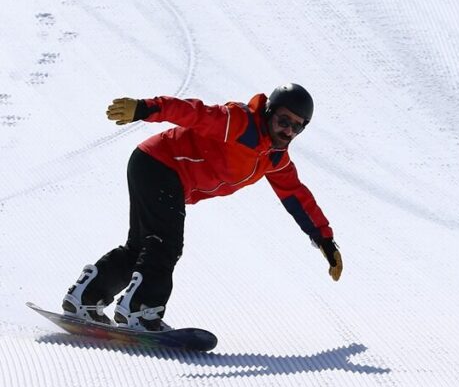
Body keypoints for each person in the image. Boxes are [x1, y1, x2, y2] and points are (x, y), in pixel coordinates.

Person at [62, 83, 343, 331]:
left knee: (141, 246)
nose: (288, 130)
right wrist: (144, 109)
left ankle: (86, 298)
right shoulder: (240, 123)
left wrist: (324, 240)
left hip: (156, 167)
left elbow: (295, 195)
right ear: (269, 112)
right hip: (159, 165)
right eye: (284, 120)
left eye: (297, 126)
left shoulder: (274, 158)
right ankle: (141, 311)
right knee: (165, 244)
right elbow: (192, 112)